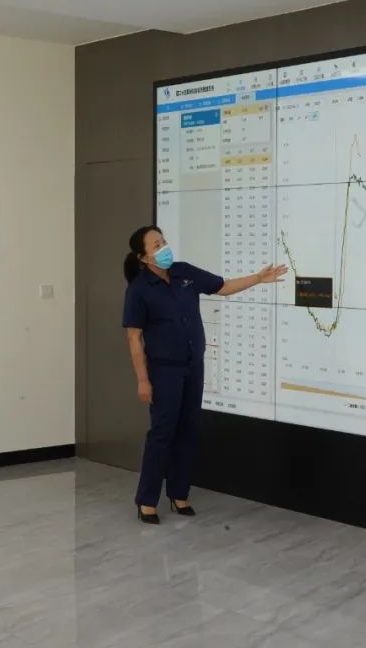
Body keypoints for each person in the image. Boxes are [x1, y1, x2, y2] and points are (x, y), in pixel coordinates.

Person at [122, 225, 286, 524]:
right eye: (156, 245)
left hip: (193, 367)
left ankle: (179, 494)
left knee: (187, 431)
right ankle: (146, 501)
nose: (164, 247)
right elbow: (134, 338)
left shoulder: (184, 272)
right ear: (143, 257)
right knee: (162, 434)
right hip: (164, 371)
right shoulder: (139, 289)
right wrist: (143, 380)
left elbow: (223, 286)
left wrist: (258, 278)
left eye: (163, 241)